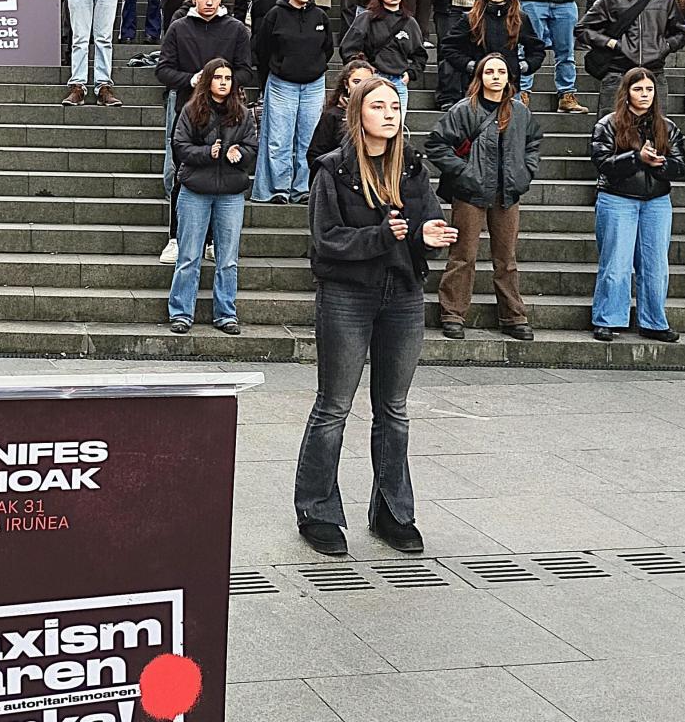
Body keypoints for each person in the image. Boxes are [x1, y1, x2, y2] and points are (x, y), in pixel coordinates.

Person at [296, 74, 457, 557]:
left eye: (395, 106)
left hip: (403, 293)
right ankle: (317, 509)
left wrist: (427, 233)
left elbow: (423, 218)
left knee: (395, 410)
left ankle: (392, 511)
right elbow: (326, 240)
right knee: (334, 408)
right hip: (347, 294)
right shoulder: (334, 170)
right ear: (358, 114)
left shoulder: (412, 167)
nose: (390, 113)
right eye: (379, 106)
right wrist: (383, 237)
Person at [425, 53, 542, 341]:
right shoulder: (465, 110)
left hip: (508, 193)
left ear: (508, 77)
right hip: (471, 193)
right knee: (463, 254)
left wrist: (525, 173)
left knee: (507, 258)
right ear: (480, 76)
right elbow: (437, 145)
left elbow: (533, 143)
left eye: (501, 71)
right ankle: (452, 313)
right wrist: (465, 173)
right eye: (489, 71)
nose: (496, 76)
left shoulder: (521, 112)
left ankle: (513, 316)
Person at [155, 0, 252, 262]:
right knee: (179, 173)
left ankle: (211, 241)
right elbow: (163, 69)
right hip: (188, 109)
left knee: (220, 172)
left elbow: (246, 70)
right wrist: (191, 79)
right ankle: (175, 238)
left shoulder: (235, 30)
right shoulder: (179, 28)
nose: (209, 2)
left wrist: (222, 81)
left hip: (227, 114)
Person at [589, 68, 685, 342]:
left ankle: (654, 321)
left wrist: (661, 164)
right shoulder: (607, 124)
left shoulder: (667, 127)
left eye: (649, 90)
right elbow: (602, 163)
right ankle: (607, 318)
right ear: (627, 92)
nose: (644, 95)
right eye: (638, 89)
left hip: (656, 201)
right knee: (616, 262)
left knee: (656, 264)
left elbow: (681, 166)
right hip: (617, 198)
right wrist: (636, 158)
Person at [166, 57, 256, 335]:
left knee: (228, 258)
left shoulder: (242, 113)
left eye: (228, 78)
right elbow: (179, 146)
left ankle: (226, 313)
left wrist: (239, 153)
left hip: (230, 192)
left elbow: (252, 147)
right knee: (189, 255)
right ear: (208, 80)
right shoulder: (191, 110)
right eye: (218, 78)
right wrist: (208, 153)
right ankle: (181, 312)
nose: (224, 83)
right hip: (195, 190)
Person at [253, 0, 332, 204]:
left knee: (309, 140)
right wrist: (276, 71)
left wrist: (315, 67)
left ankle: (303, 189)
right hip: (281, 84)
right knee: (279, 139)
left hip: (314, 85)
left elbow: (327, 49)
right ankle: (278, 189)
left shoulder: (321, 16)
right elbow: (261, 49)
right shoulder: (274, 15)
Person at [579, 0, 685, 95]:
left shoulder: (666, 0)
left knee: (657, 119)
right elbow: (582, 29)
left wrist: (665, 46)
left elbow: (681, 32)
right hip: (617, 72)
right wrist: (611, 43)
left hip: (654, 73)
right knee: (611, 119)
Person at [438, 0, 545, 110]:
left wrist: (523, 66)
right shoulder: (471, 18)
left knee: (510, 128)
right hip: (476, 85)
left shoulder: (519, 18)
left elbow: (537, 49)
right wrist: (470, 65)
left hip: (509, 86)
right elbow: (448, 46)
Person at [341, 0, 422, 105]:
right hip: (373, 79)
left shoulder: (410, 22)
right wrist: (364, 71)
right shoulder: (366, 18)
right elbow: (348, 49)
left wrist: (410, 74)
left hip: (398, 82)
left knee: (396, 124)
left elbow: (420, 55)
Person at [307, 58, 375, 169]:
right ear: (346, 84)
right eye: (356, 82)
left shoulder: (379, 114)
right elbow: (315, 154)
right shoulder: (332, 115)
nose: (362, 87)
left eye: (367, 83)